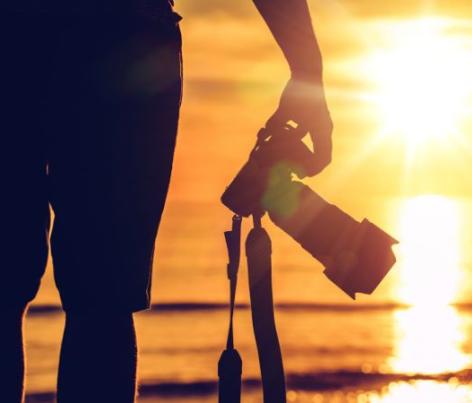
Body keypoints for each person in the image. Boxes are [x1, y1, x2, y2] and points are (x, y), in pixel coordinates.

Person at [0, 0, 332, 402]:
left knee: (85, 298)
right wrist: (306, 69)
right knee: (103, 302)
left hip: (42, 34)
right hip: (120, 36)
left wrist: (307, 70)